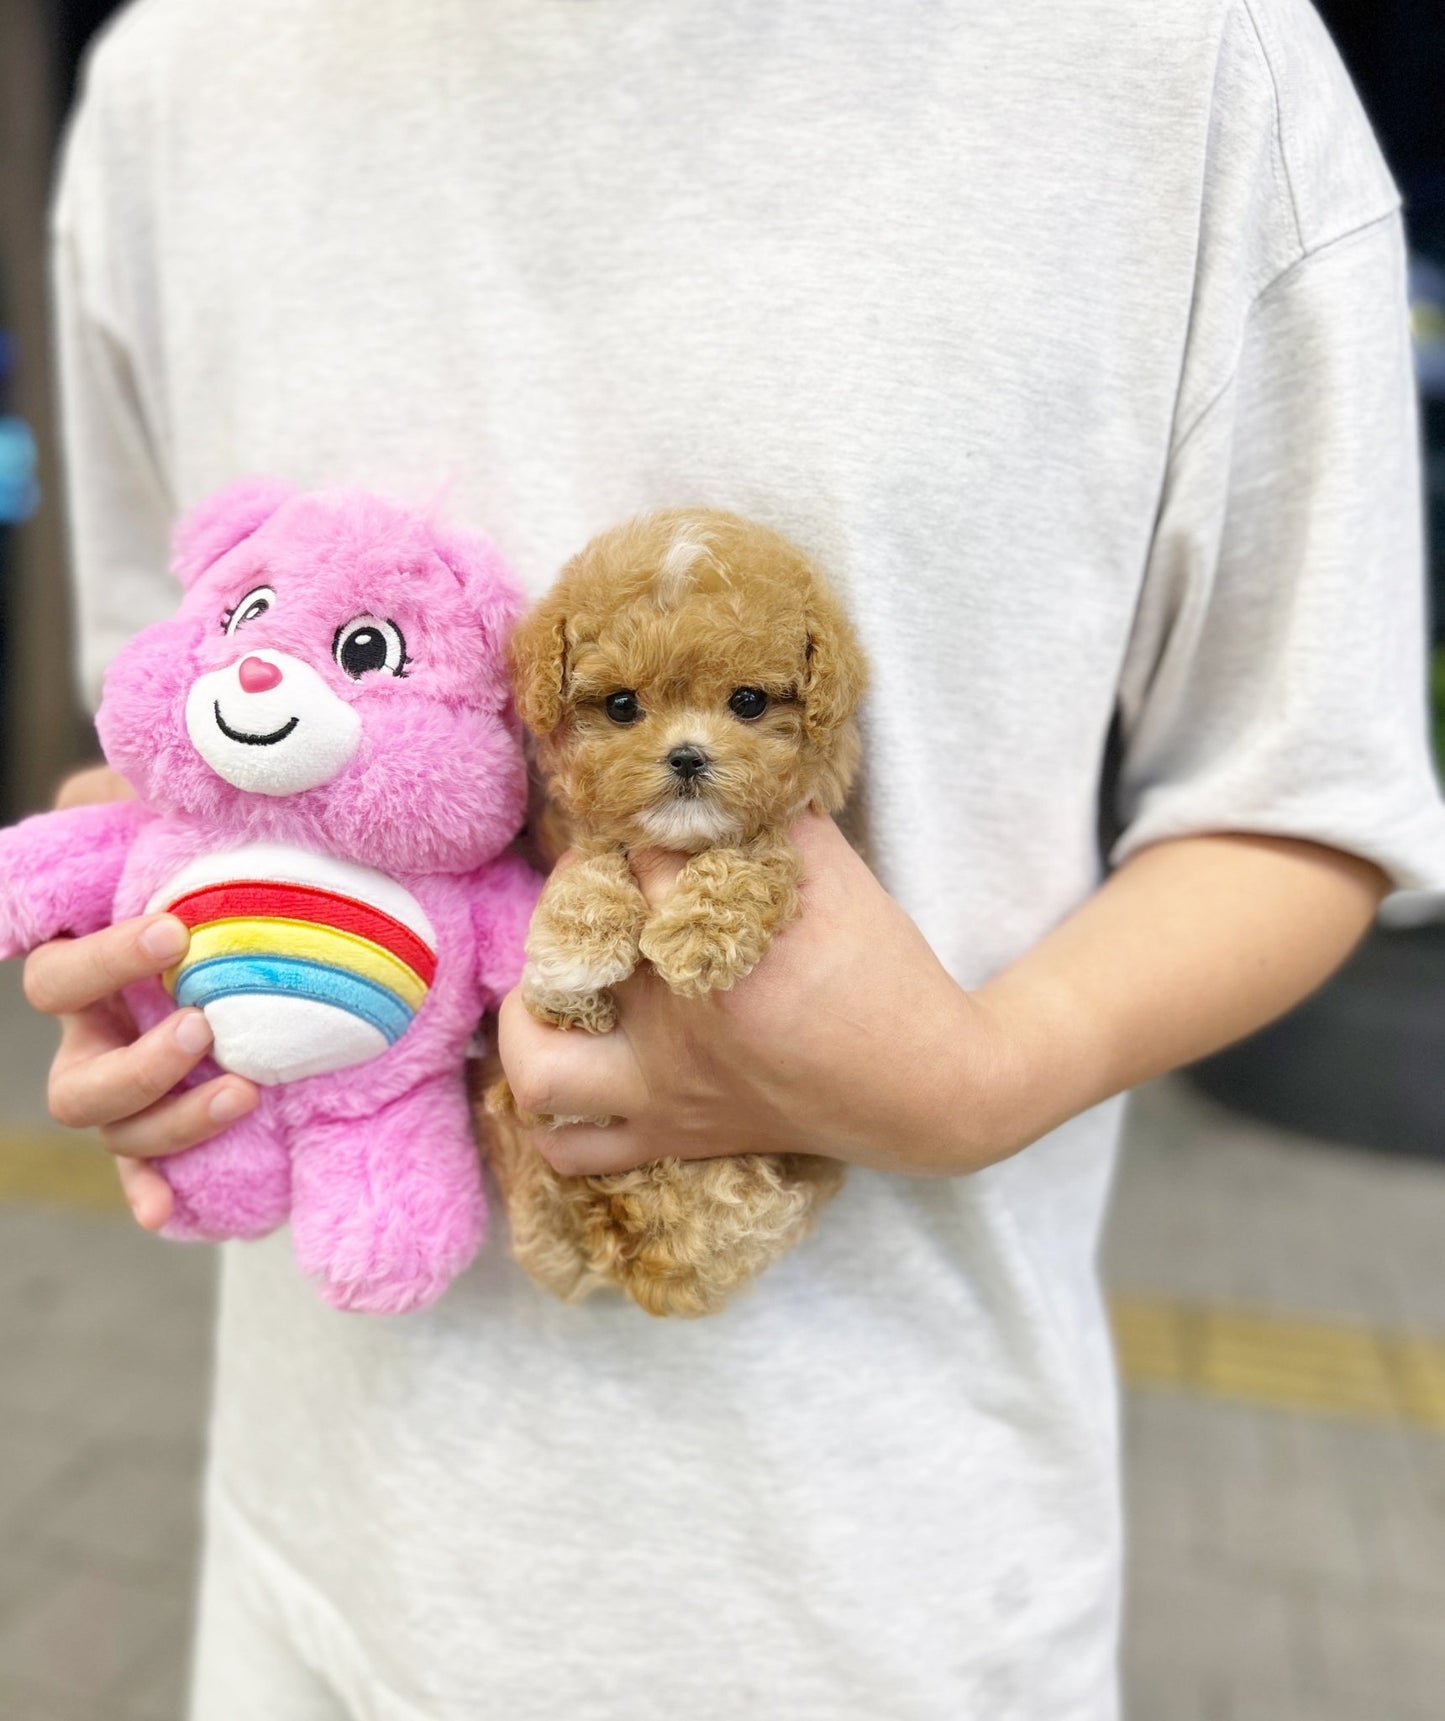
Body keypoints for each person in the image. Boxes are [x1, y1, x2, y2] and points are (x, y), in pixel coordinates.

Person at [23, 1, 1445, 1716]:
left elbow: (1304, 792)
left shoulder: (1178, 66)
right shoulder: (185, 80)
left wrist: (979, 1079)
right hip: (322, 1565)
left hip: (883, 1587)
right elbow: (155, 740)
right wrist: (133, 976)